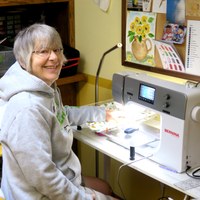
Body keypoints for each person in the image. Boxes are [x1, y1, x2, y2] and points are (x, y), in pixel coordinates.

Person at [0, 24, 121, 200]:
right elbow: (44, 178)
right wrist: (85, 197)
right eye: (43, 51)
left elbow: (62, 114)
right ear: (23, 58)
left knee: (105, 187)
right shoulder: (27, 109)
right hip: (38, 194)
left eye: (57, 49)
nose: (54, 57)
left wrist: (102, 114)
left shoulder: (43, 87)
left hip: (61, 177)